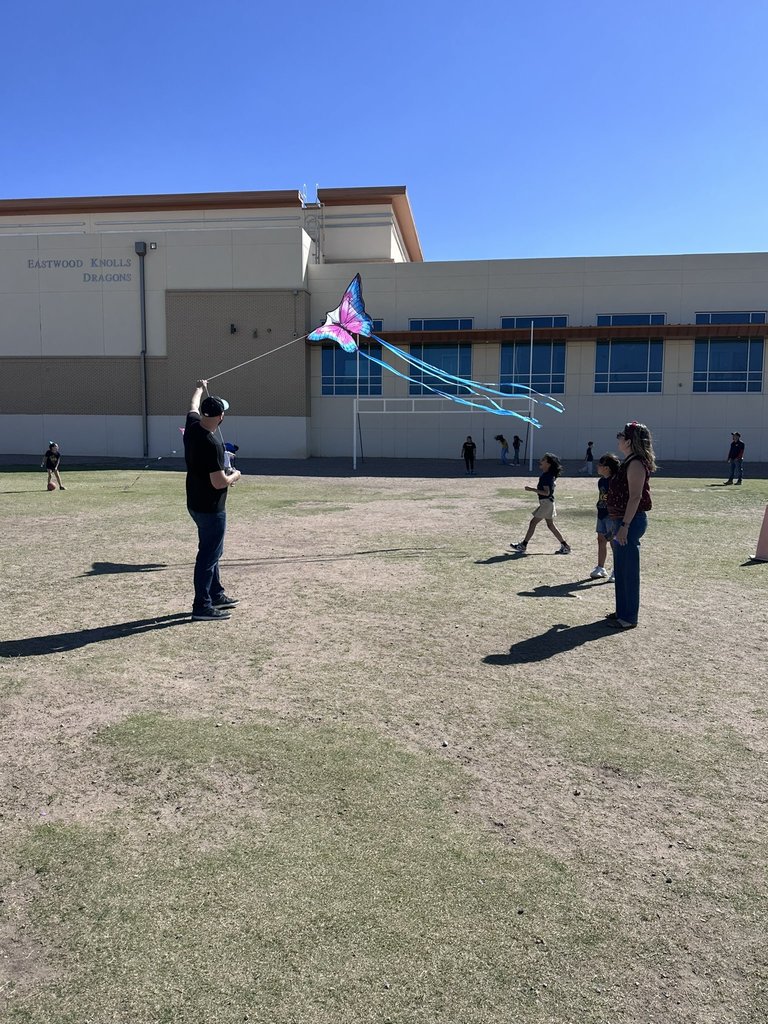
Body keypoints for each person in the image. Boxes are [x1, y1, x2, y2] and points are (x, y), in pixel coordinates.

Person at [184, 380, 241, 621]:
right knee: (208, 555)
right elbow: (218, 482)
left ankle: (216, 594)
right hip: (210, 508)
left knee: (212, 552)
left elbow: (193, 405)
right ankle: (202, 606)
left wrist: (199, 387)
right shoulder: (212, 444)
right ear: (221, 417)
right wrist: (234, 475)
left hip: (195, 504)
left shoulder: (193, 426)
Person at [605, 421, 656, 630]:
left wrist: (625, 525)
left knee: (628, 570)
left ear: (629, 440)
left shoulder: (635, 463)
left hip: (630, 521)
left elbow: (635, 497)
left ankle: (629, 617)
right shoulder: (630, 461)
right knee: (622, 568)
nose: (618, 439)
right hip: (622, 520)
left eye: (621, 435)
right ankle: (622, 611)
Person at [510, 453, 571, 555]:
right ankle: (565, 546)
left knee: (533, 523)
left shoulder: (546, 476)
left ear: (548, 464)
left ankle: (523, 545)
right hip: (548, 503)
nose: (540, 460)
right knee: (550, 525)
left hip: (546, 503)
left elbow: (546, 492)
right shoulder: (550, 475)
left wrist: (532, 489)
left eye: (543, 460)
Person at [590, 453, 620, 579]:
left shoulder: (615, 481)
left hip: (611, 516)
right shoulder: (601, 481)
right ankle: (600, 567)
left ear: (607, 468)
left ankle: (617, 570)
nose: (597, 467)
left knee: (614, 543)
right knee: (601, 540)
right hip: (601, 514)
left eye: (600, 465)